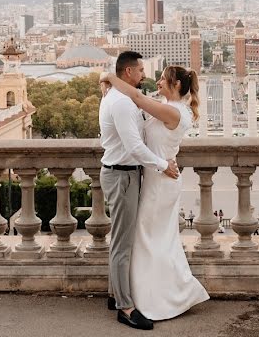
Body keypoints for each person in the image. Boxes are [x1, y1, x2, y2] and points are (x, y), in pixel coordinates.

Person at [101, 63, 209, 323]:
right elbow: (133, 103)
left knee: (150, 240)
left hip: (161, 183)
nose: (157, 82)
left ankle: (154, 297)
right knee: (149, 240)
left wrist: (108, 77)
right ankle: (135, 293)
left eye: (162, 79)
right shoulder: (167, 107)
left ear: (177, 86)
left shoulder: (173, 112)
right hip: (155, 178)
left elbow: (136, 97)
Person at [100, 51, 180, 330]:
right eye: (141, 70)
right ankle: (125, 307)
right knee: (123, 244)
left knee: (121, 240)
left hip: (123, 175)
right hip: (122, 177)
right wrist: (163, 166)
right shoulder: (121, 103)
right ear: (129, 73)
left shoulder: (120, 97)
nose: (144, 74)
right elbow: (134, 147)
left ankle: (115, 294)